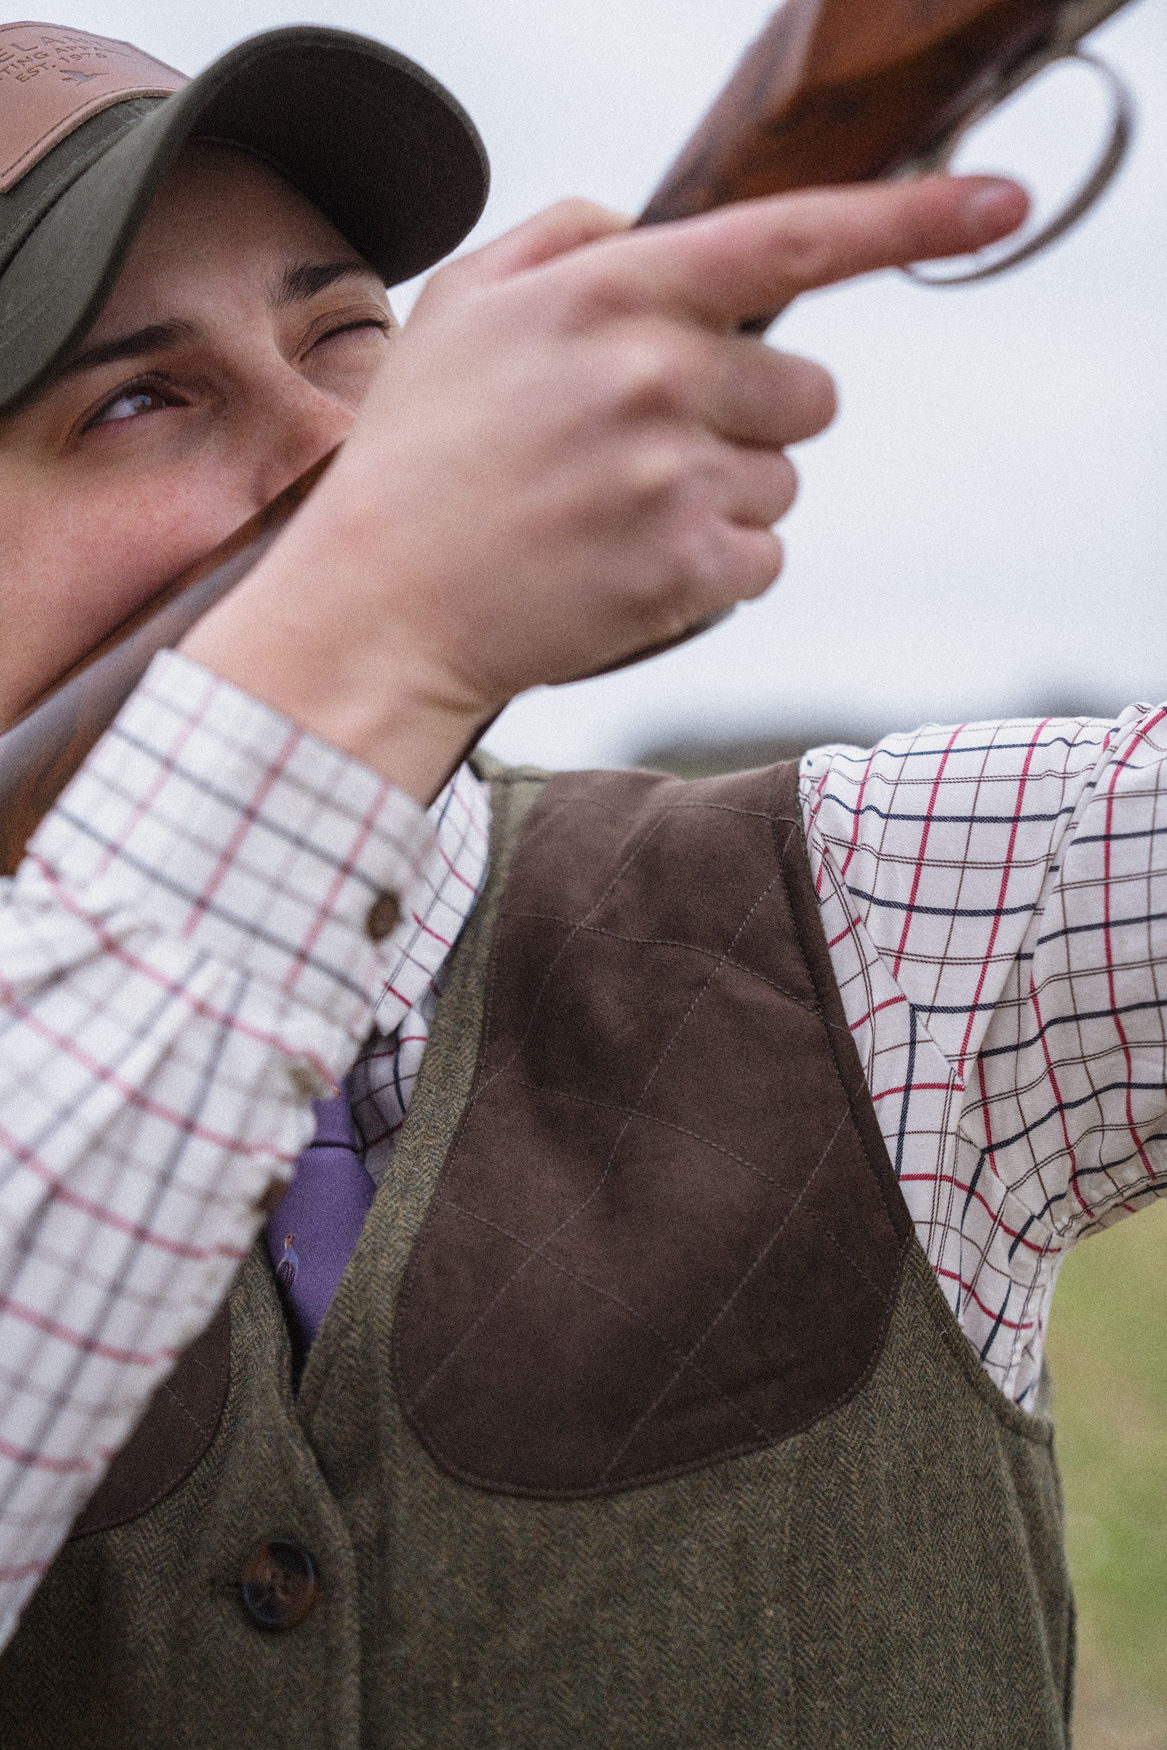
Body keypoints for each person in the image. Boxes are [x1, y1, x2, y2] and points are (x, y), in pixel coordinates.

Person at [0, 16, 1161, 1748]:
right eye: (142, 398)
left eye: (349, 336)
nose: (346, 458)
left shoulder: (891, 903)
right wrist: (369, 623)